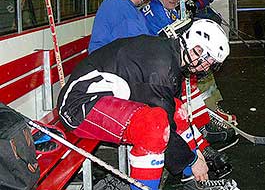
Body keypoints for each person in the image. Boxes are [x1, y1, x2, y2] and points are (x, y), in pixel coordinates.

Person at [57, 19, 239, 190]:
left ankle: (193, 179)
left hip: (101, 98)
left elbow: (170, 108)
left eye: (211, 64)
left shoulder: (169, 53)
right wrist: (190, 159)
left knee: (176, 109)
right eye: (206, 60)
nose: (205, 68)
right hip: (78, 107)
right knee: (154, 127)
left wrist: (194, 152)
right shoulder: (161, 69)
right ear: (195, 48)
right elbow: (164, 128)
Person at [142, 0, 236, 178]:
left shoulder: (167, 10)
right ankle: (194, 147)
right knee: (181, 95)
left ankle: (201, 129)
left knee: (193, 76)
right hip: (150, 77)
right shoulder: (156, 13)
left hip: (155, 71)